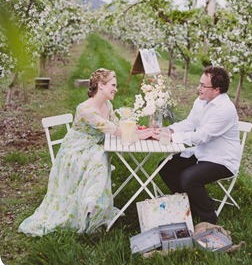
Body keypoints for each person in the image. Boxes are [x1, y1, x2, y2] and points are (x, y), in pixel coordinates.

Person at [18, 68, 152, 236]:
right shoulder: (85, 109)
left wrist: (136, 130)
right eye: (113, 85)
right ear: (101, 86)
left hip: (94, 145)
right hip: (75, 151)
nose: (116, 89)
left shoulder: (108, 104)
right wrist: (139, 135)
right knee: (100, 159)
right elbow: (112, 129)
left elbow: (117, 124)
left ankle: (95, 208)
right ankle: (90, 209)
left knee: (101, 155)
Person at [154, 66, 240, 225]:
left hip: (221, 160)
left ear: (216, 90)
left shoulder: (225, 109)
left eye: (202, 85)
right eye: (199, 83)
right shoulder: (201, 101)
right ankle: (191, 206)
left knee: (189, 178)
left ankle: (208, 217)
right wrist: (168, 129)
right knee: (165, 167)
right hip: (202, 153)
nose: (197, 88)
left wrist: (172, 137)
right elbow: (189, 123)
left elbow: (202, 136)